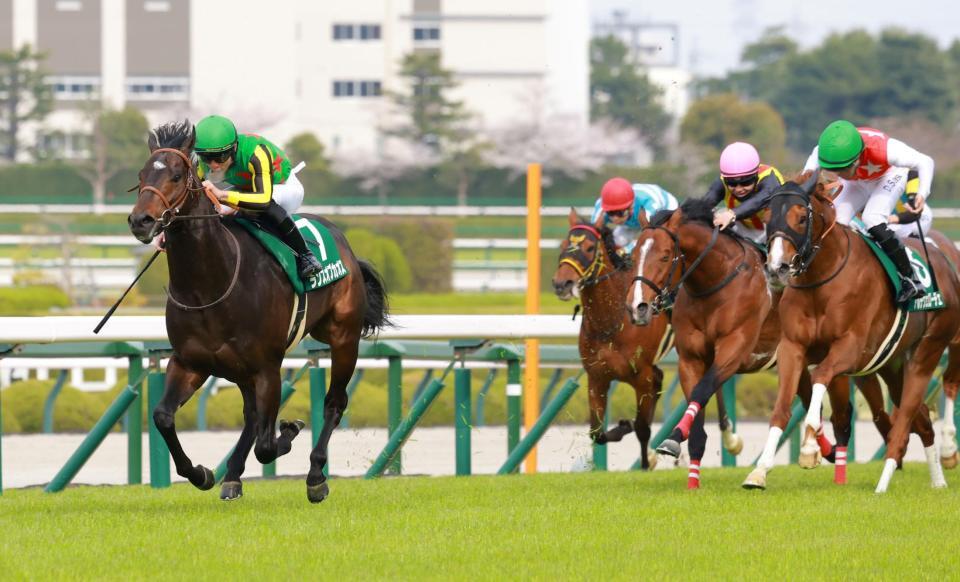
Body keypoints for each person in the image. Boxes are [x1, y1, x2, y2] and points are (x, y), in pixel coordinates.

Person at [803, 120, 934, 303]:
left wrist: (922, 193)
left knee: (872, 218)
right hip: (857, 181)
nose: (837, 174)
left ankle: (910, 278)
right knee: (836, 221)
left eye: (841, 170)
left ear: (857, 159)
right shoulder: (823, 152)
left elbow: (925, 161)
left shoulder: (886, 149)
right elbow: (804, 183)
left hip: (888, 176)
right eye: (834, 170)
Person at [194, 115, 322, 281]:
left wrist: (222, 195)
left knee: (263, 206)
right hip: (247, 189)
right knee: (213, 210)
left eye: (220, 157)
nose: (213, 165)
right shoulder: (199, 161)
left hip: (283, 188)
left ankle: (306, 256)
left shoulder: (255, 152)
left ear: (233, 149)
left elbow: (262, 200)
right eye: (206, 158)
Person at [703, 141, 785, 245]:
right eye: (732, 183)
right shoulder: (722, 181)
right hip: (742, 230)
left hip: (774, 231)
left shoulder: (769, 178)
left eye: (745, 182)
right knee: (714, 214)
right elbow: (704, 204)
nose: (738, 189)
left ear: (756, 175)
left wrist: (731, 214)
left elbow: (758, 201)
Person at [591, 177, 678, 254]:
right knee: (618, 242)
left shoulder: (648, 205)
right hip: (632, 220)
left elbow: (649, 238)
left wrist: (625, 250)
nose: (615, 219)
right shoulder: (601, 206)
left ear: (631, 207)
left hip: (665, 209)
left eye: (619, 213)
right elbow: (591, 235)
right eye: (610, 213)